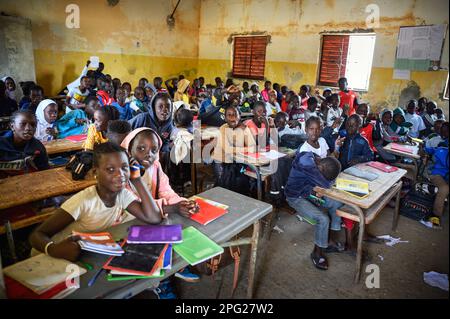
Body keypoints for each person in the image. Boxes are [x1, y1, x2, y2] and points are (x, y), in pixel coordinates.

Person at [29, 142, 162, 261]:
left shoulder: (122, 194)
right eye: (111, 169)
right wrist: (53, 249)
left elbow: (154, 218)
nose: (120, 174)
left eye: (124, 167)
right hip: (49, 255)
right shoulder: (83, 201)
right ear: (95, 172)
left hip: (83, 253)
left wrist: (137, 180)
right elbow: (36, 235)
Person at [285, 152, 343, 270]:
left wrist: (315, 190)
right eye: (322, 175)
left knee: (337, 203)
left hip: (308, 193)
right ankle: (317, 253)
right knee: (323, 219)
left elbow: (322, 180)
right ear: (320, 168)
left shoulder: (315, 159)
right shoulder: (306, 162)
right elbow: (326, 184)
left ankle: (329, 241)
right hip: (296, 198)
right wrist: (321, 186)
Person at [0, 110, 49, 178]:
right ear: (12, 126)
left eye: (33, 125)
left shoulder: (38, 146)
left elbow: (44, 170)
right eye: (23, 124)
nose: (28, 128)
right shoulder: (2, 145)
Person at [421, 141, 448, 228]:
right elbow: (426, 149)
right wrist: (424, 153)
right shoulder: (442, 150)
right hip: (437, 174)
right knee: (444, 188)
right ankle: (435, 215)